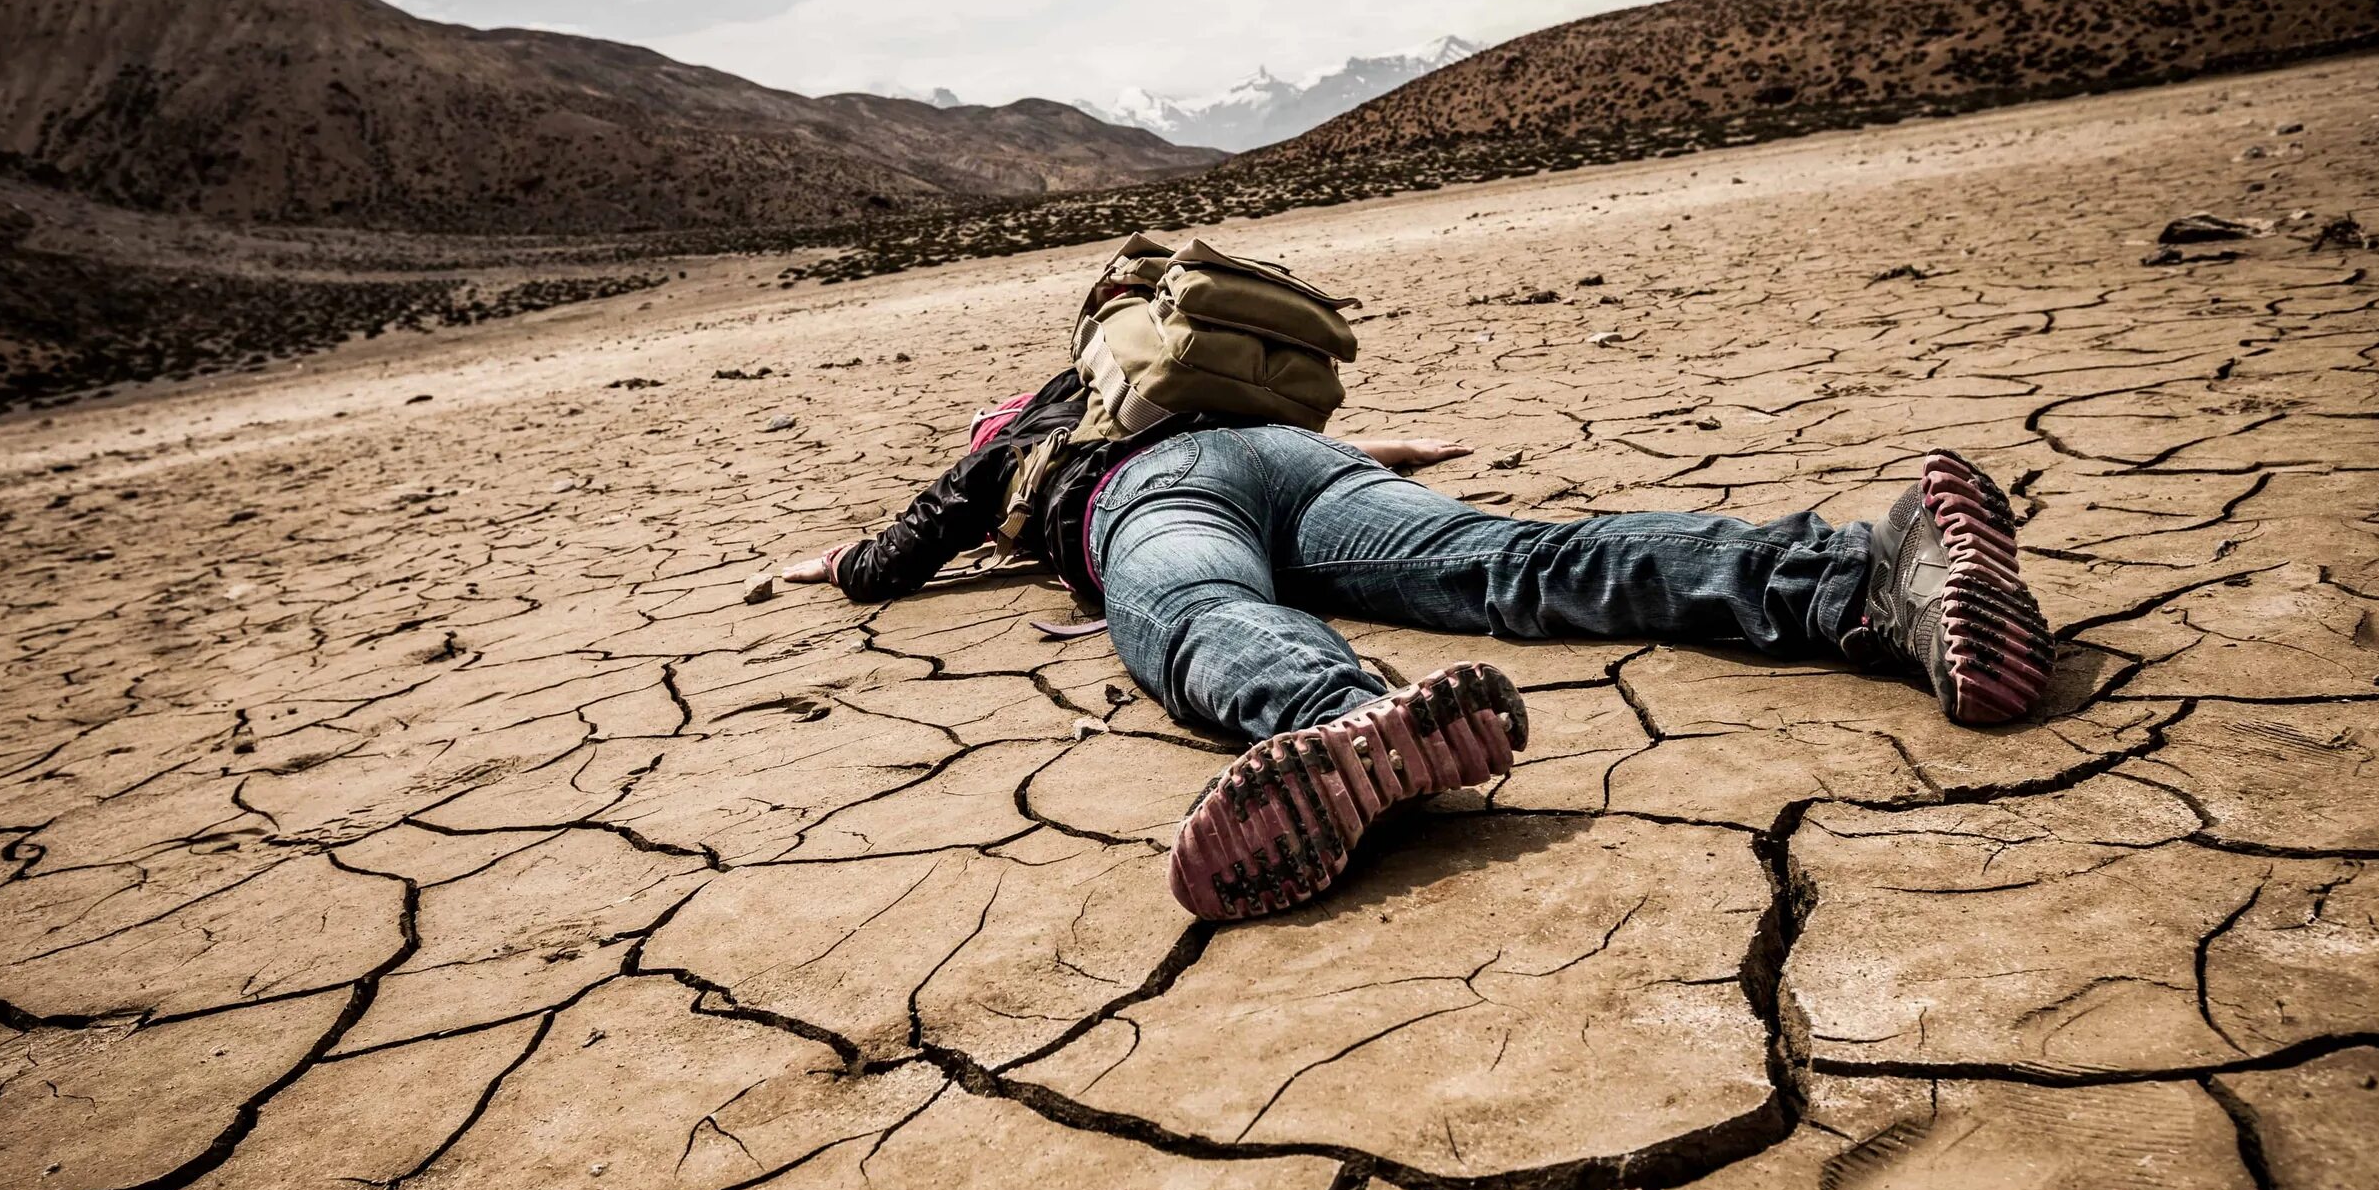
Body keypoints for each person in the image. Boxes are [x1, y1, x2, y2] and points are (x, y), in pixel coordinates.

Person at [782, 362, 2051, 921]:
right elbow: (1298, 446)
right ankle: (1873, 577)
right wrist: (1394, 455)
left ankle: (1333, 719)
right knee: (1516, 561)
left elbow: (904, 551)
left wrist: (839, 562)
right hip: (1308, 466)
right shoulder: (1184, 385)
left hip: (1159, 505)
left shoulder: (1018, 439)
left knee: (1188, 606)